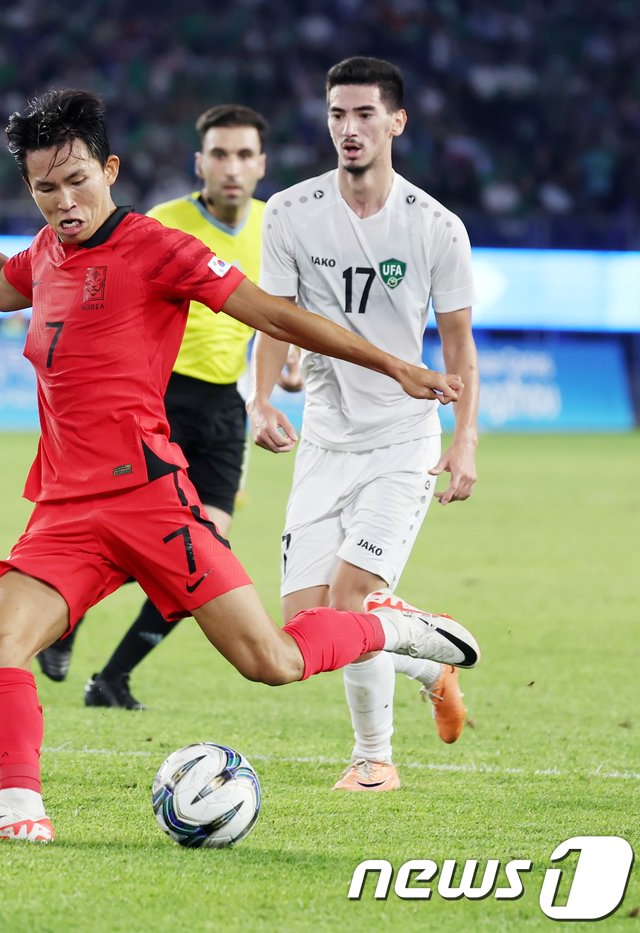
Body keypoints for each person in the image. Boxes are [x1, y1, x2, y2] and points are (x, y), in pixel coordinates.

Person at [0, 88, 480, 844]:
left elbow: (271, 312)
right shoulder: (46, 253)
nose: (64, 201)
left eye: (78, 180)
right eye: (46, 188)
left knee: (270, 659)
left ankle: (392, 631)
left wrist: (391, 361)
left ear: (109, 169)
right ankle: (18, 805)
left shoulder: (155, 248)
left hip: (150, 500)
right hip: (66, 511)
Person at [249, 57, 480, 792]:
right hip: (323, 439)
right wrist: (261, 398)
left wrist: (465, 438)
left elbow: (459, 347)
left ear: (396, 122)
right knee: (307, 628)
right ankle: (425, 656)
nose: (349, 129)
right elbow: (273, 320)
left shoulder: (436, 227)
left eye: (365, 115)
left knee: (350, 602)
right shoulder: (289, 211)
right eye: (337, 115)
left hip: (401, 440)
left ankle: (373, 758)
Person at [35, 104, 284, 710]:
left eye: (244, 155)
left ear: (261, 164)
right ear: (200, 162)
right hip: (161, 397)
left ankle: (113, 678)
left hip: (225, 405)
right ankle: (62, 612)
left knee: (207, 549)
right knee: (157, 541)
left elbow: (273, 309)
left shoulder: (273, 227)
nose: (232, 167)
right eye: (219, 154)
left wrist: (271, 387)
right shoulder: (164, 225)